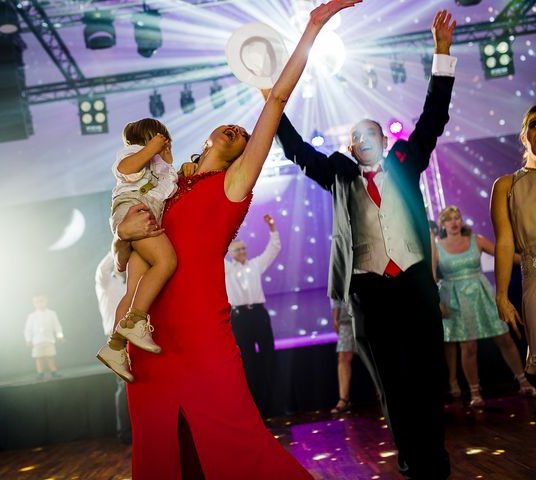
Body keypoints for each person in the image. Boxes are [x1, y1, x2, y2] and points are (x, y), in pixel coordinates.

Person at [112, 2, 363, 478]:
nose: (239, 131)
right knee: (159, 448)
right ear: (208, 138)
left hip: (204, 331)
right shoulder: (165, 185)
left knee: (237, 440)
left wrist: (313, 25)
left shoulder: (232, 186)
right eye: (231, 128)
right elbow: (128, 250)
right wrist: (123, 233)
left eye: (246, 136)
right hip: (148, 334)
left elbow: (275, 101)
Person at [270, 10, 455, 479]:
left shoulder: (408, 161)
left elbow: (434, 115)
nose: (367, 138)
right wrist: (271, 103)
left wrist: (442, 52)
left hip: (414, 283)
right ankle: (414, 463)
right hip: (370, 292)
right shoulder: (339, 176)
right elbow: (294, 149)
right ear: (351, 149)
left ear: (384, 139)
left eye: (373, 131)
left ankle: (436, 460)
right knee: (393, 385)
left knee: (430, 380)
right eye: (358, 136)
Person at [99, 119, 178, 377]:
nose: (166, 147)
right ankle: (136, 320)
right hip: (134, 210)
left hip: (146, 221)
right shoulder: (134, 153)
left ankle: (115, 346)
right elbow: (125, 169)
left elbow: (168, 187)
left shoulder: (161, 169)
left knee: (133, 290)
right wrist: (152, 148)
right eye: (163, 140)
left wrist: (167, 159)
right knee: (166, 262)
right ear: (150, 138)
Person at [436, 206, 535, 406]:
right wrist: (437, 302)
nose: (455, 222)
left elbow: (504, 254)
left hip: (481, 295)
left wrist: (529, 259)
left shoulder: (476, 240)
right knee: (468, 346)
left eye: (457, 218)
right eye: (450, 219)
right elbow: (431, 276)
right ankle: (475, 392)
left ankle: (522, 380)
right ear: (443, 224)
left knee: (504, 338)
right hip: (456, 300)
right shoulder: (436, 247)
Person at [491, 105, 536, 375]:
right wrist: (501, 295)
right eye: (534, 124)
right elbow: (505, 243)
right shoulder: (507, 185)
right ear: (524, 136)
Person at [225, 213, 280, 416]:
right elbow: (212, 255)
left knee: (268, 356)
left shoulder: (255, 265)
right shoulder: (227, 269)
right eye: (238, 250)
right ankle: (256, 408)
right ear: (230, 253)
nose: (242, 252)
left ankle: (275, 404)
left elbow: (273, 249)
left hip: (258, 314)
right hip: (239, 318)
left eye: (244, 248)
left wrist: (272, 228)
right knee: (248, 361)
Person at [94, 252, 132, 444]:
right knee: (123, 385)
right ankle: (124, 433)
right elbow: (102, 268)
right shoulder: (105, 281)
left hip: (133, 334)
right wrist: (118, 245)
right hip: (115, 336)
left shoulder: (131, 282)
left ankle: (138, 430)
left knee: (136, 383)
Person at [24, 295, 64, 380]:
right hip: (37, 341)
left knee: (50, 356)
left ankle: (54, 371)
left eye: (41, 301)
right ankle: (40, 373)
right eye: (37, 302)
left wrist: (59, 335)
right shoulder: (32, 316)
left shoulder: (51, 313)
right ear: (34, 303)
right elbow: (28, 329)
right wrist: (28, 339)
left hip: (49, 339)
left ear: (46, 301)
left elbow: (57, 326)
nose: (39, 304)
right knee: (39, 357)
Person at [330, 299, 358, 414]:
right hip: (346, 316)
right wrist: (335, 317)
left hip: (364, 311)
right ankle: (344, 399)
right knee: (343, 357)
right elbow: (335, 292)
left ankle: (381, 394)